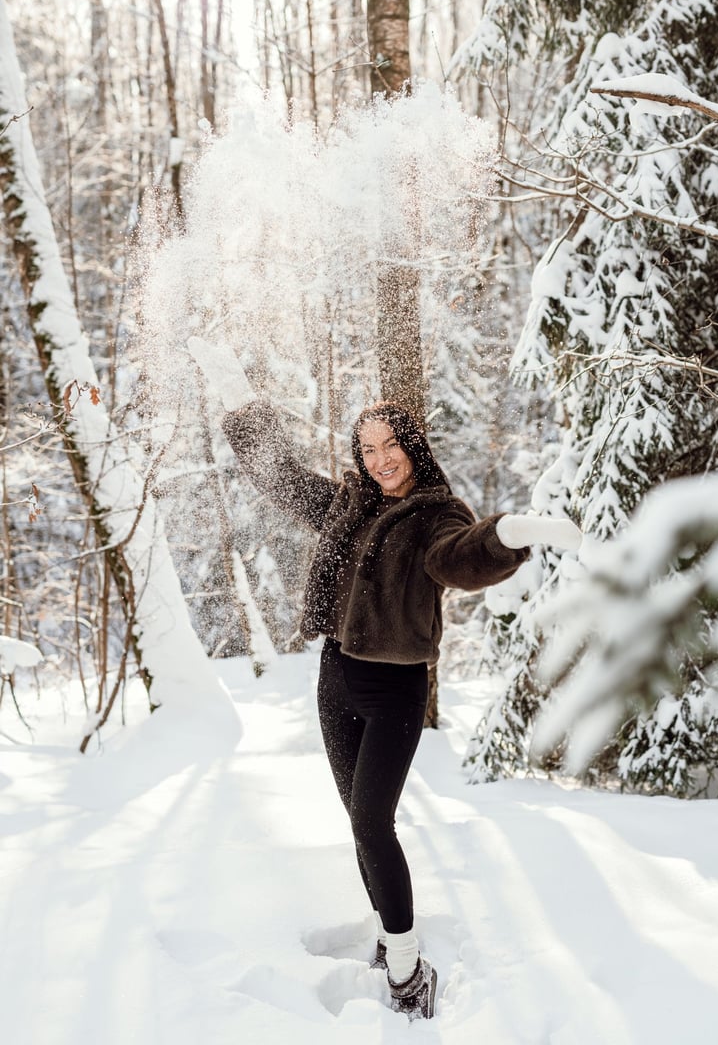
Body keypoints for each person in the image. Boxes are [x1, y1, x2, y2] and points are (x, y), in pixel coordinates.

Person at [187, 337, 582, 1022]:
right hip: (336, 678)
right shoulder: (349, 505)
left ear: (412, 446)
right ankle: (388, 933)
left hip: (396, 689)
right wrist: (236, 395)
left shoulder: (437, 513)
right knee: (360, 824)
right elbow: (280, 478)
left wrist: (509, 535)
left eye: (390, 444)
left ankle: (405, 966)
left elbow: (458, 559)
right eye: (367, 450)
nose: (380, 459)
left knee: (374, 821)